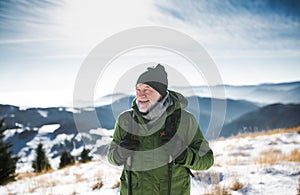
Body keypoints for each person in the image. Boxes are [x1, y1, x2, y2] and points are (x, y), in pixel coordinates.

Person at [107, 64, 214, 195]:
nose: (141, 95)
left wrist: (184, 154)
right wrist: (119, 153)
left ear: (161, 93)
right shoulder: (126, 120)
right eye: (138, 89)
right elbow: (111, 156)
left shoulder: (185, 120)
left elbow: (207, 160)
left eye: (147, 90)